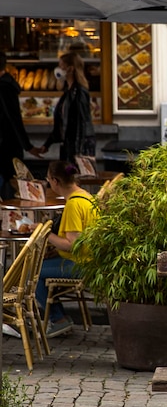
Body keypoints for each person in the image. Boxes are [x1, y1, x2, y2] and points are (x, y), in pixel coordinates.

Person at [37, 161, 97, 338]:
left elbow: (72, 244)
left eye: (48, 179)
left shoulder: (73, 205)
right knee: (43, 264)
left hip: (81, 264)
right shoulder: (85, 196)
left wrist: (43, 233)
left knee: (32, 272)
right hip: (90, 259)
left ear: (55, 181)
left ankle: (58, 318)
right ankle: (58, 316)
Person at [39, 53, 95, 164]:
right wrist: (47, 144)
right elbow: (62, 123)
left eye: (61, 66)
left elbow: (81, 123)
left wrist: (78, 152)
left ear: (70, 68)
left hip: (78, 147)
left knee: (75, 177)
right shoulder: (67, 93)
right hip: (68, 145)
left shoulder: (79, 92)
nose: (58, 69)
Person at [0, 52, 42, 199]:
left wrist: (27, 146)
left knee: (12, 185)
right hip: (9, 146)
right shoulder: (7, 85)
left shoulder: (4, 88)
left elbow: (14, 119)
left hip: (6, 146)